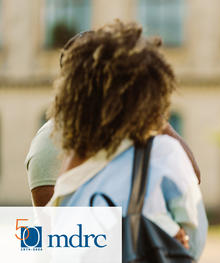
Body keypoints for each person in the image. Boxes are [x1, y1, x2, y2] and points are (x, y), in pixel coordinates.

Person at [43, 20, 207, 260]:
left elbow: (51, 240)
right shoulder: (163, 152)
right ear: (149, 91)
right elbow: (194, 242)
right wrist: (166, 234)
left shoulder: (75, 156)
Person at [25, 31, 201, 207]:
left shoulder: (129, 128)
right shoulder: (50, 144)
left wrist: (153, 116)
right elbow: (54, 228)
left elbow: (190, 179)